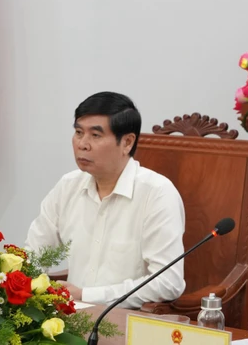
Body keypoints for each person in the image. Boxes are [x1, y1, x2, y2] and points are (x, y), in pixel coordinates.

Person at [25, 91, 186, 308]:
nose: (82, 144)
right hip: (69, 320)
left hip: (128, 324)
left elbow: (168, 282)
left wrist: (87, 295)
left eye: (95, 135)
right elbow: (35, 254)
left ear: (127, 143)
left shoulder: (157, 194)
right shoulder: (68, 186)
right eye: (78, 132)